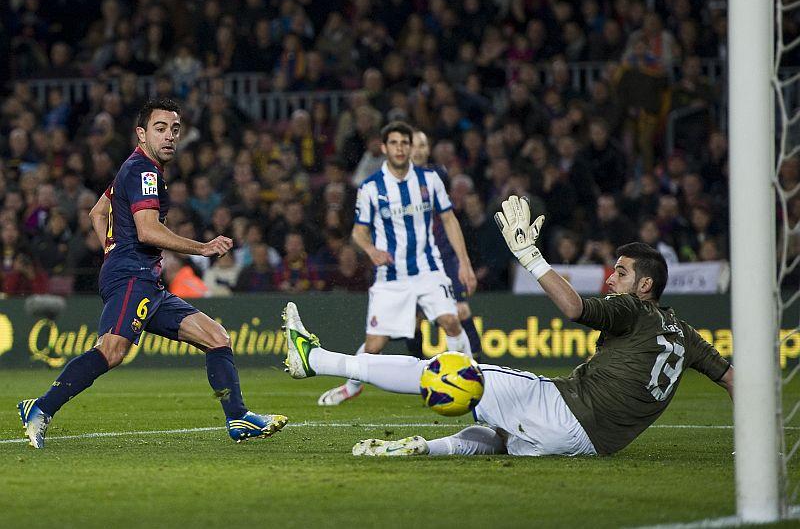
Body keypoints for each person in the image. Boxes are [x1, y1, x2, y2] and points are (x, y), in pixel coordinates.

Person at [281, 194, 733, 457]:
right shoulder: (686, 335)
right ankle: (425, 448)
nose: (611, 277)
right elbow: (735, 381)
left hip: (570, 411)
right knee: (500, 433)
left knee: (451, 370)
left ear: (646, 285)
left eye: (621, 272)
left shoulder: (634, 310)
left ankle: (315, 358)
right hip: (589, 445)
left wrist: (530, 256)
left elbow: (574, 308)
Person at [17, 99, 287, 449]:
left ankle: (237, 417)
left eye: (175, 129)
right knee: (112, 350)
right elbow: (146, 231)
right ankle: (40, 408)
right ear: (141, 134)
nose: (170, 136)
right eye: (160, 128)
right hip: (133, 275)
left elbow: (98, 213)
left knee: (216, 336)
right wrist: (202, 248)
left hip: (144, 277)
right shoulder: (144, 171)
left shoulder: (133, 170)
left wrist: (111, 250)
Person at [316, 121, 477, 406]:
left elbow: (450, 220)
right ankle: (352, 386)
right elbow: (358, 231)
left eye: (405, 143)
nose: (400, 148)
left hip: (429, 269)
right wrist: (370, 250)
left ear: (411, 147)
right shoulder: (371, 187)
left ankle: (467, 380)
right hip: (391, 275)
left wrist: (464, 263)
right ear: (384, 148)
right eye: (394, 143)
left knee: (451, 321)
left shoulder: (430, 180)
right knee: (375, 345)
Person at [405, 130, 483, 359]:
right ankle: (420, 368)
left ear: (428, 150)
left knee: (459, 310)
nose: (417, 150)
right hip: (412, 260)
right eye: (413, 145)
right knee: (411, 321)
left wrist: (463, 263)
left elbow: (448, 217)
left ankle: (479, 367)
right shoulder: (391, 181)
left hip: (443, 256)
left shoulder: (437, 175)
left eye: (422, 145)